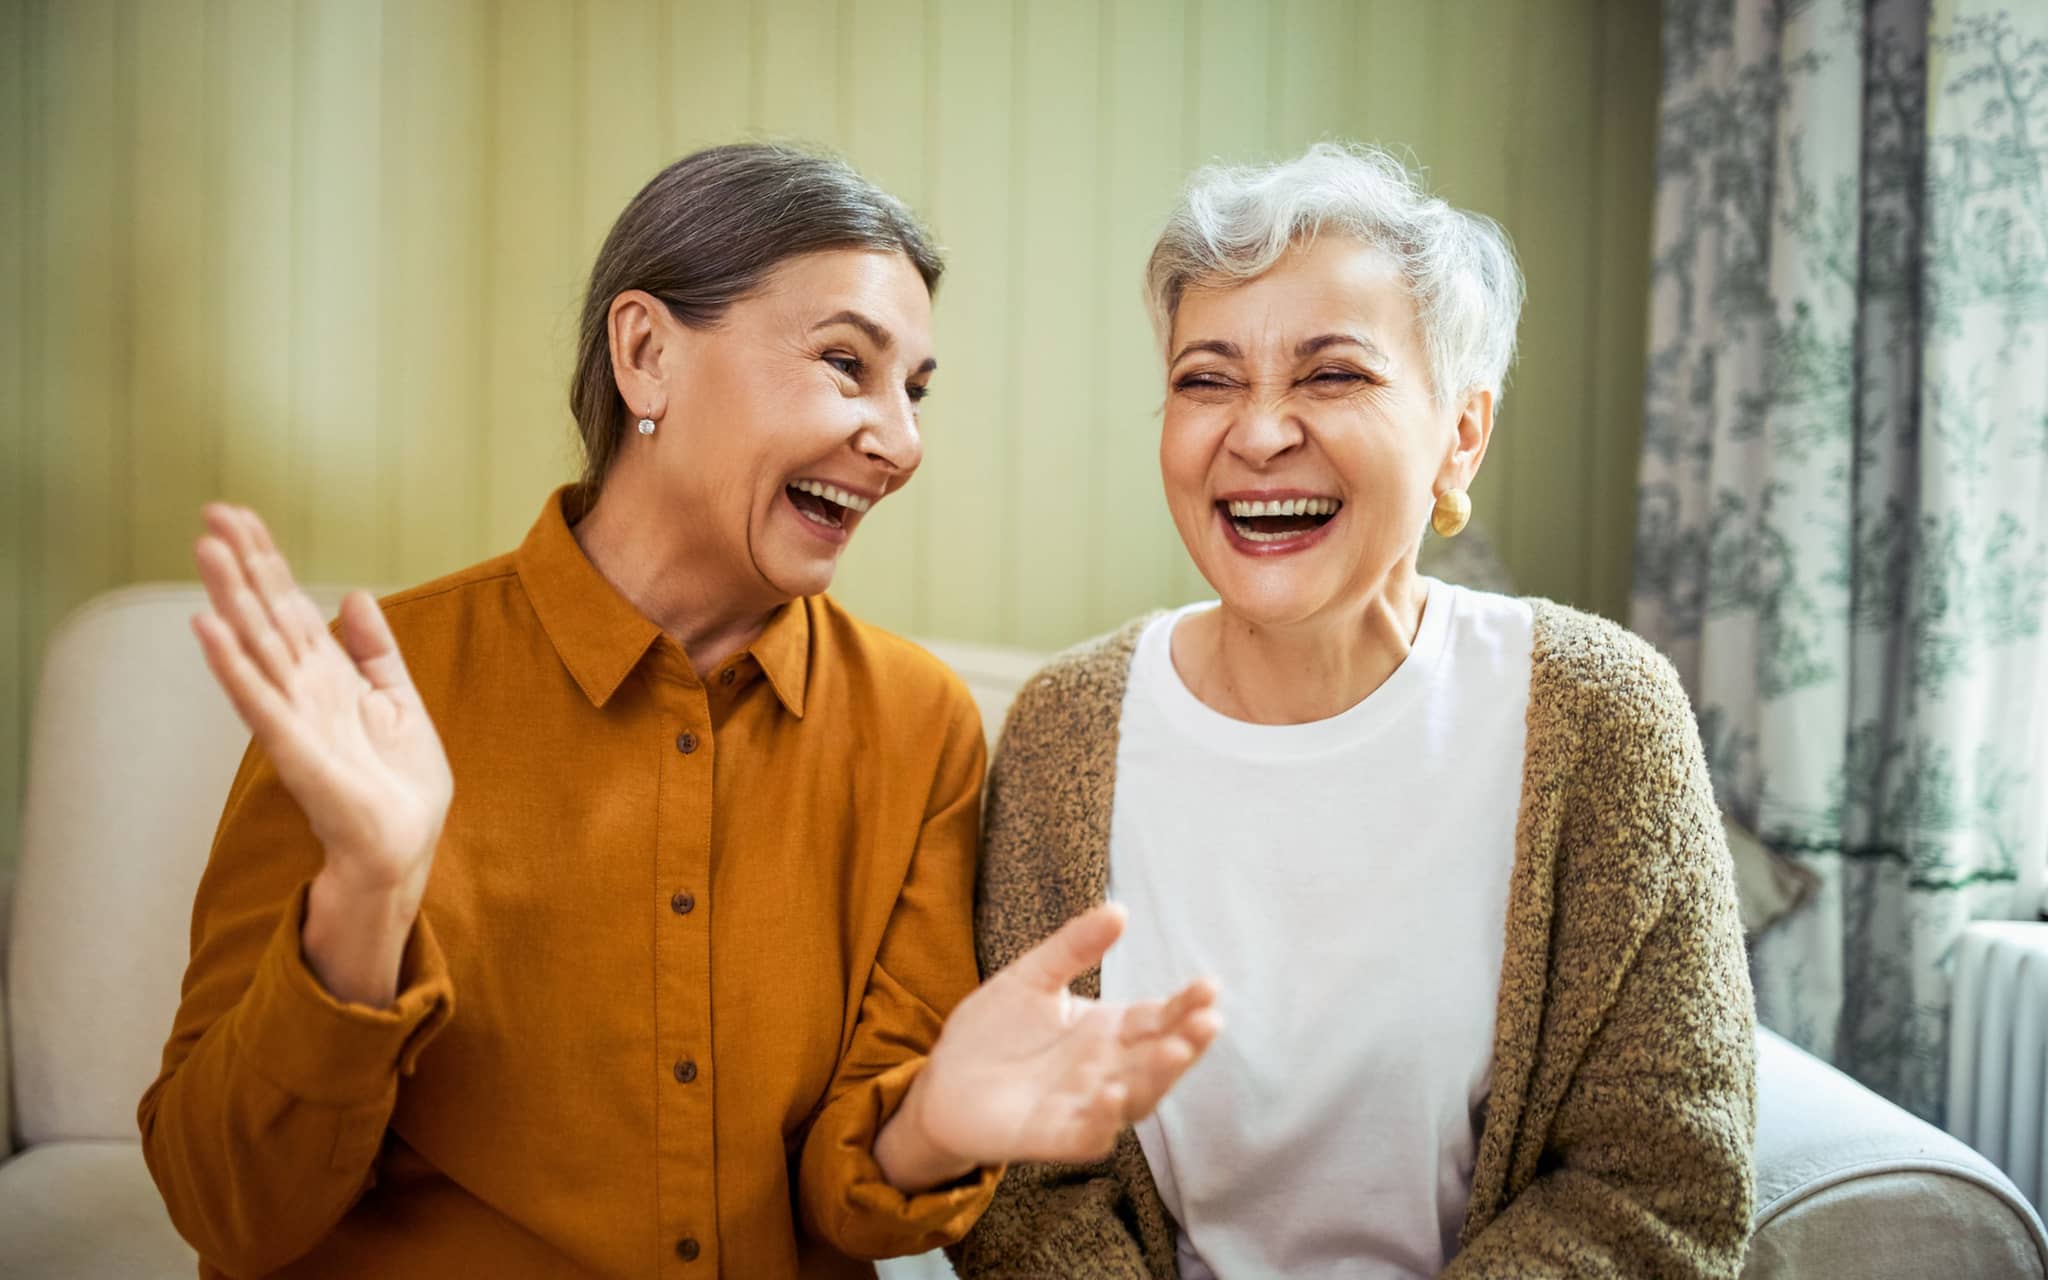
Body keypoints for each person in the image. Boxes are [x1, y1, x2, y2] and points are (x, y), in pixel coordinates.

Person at [138, 143, 1219, 1279]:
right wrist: (364, 893)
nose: (899, 441)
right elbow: (227, 1209)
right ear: (646, 355)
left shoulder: (918, 725)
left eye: (915, 390)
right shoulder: (374, 691)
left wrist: (937, 1120)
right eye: (845, 362)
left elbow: (856, 1207)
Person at [954, 142, 1756, 1280]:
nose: (1259, 431)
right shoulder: (1063, 727)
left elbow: (1660, 1181)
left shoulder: (1598, 713)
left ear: (1459, 433)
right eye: (1205, 378)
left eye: (1331, 374)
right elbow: (1026, 1189)